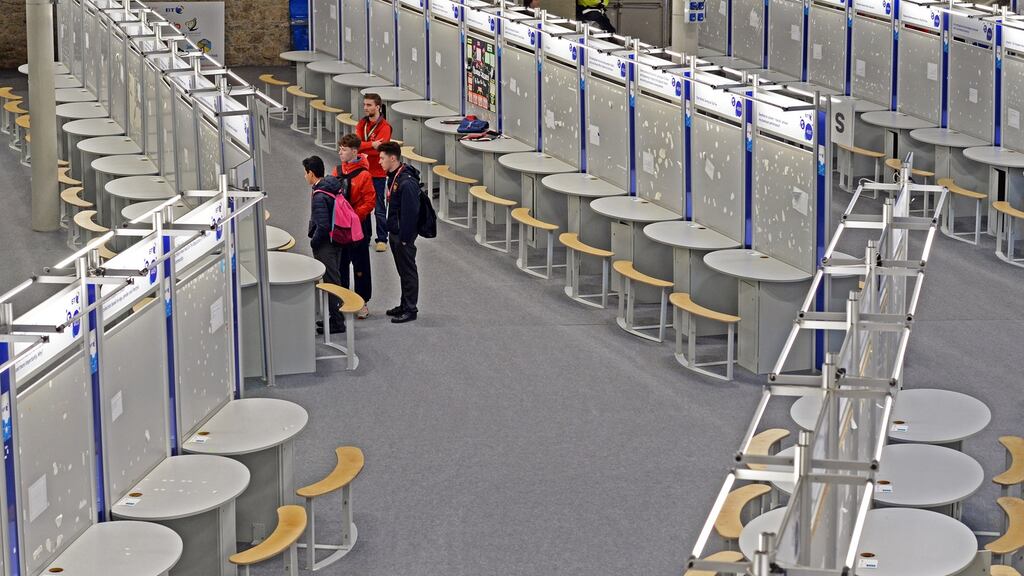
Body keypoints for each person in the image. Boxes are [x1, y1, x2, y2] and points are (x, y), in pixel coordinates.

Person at [332, 133, 376, 319]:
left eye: (344, 150)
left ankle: (362, 302)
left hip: (358, 227)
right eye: (340, 149)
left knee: (360, 266)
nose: (340, 152)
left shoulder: (365, 174)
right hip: (341, 229)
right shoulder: (337, 171)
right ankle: (343, 299)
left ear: (354, 152)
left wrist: (352, 216)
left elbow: (370, 201)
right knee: (341, 265)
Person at [378, 141, 421, 324]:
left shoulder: (406, 182)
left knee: (408, 272)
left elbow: (411, 214)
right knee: (403, 271)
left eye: (382, 158)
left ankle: (411, 309)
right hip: (396, 232)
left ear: (393, 158)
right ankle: (404, 304)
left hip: (403, 236)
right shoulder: (394, 176)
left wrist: (404, 239)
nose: (379, 162)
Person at [303, 155, 347, 334]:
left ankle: (337, 322)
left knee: (331, 282)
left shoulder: (320, 195)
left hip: (326, 245)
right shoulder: (331, 186)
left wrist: (313, 242)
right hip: (336, 240)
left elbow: (322, 225)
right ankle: (334, 318)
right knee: (334, 278)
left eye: (305, 173)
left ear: (311, 173)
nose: (304, 177)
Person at [355, 93, 393, 253]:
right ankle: (365, 236)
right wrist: (371, 145)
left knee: (378, 207)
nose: (365, 108)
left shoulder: (385, 126)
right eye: (364, 104)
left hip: (377, 174)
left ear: (378, 107)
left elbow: (381, 151)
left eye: (369, 105)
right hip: (361, 171)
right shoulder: (361, 124)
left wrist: (364, 147)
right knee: (363, 205)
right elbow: (355, 145)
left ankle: (382, 239)